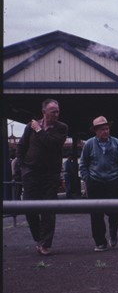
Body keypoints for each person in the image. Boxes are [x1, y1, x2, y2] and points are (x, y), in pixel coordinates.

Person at [15, 98, 69, 255]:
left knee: (49, 209)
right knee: (29, 207)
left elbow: (51, 144)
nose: (56, 114)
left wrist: (39, 130)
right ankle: (39, 238)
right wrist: (22, 166)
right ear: (44, 112)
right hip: (31, 172)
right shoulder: (30, 127)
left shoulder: (61, 128)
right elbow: (21, 146)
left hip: (50, 173)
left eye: (58, 111)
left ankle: (45, 244)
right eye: (53, 112)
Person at [79, 116, 118, 252]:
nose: (105, 131)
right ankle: (100, 242)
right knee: (96, 214)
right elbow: (83, 164)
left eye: (107, 129)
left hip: (113, 182)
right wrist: (88, 179)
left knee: (115, 212)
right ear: (95, 131)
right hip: (95, 183)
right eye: (102, 129)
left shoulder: (117, 143)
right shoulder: (89, 144)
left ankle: (113, 233)